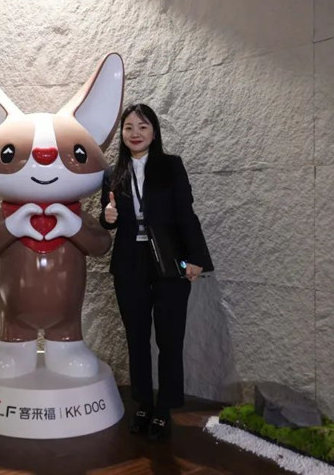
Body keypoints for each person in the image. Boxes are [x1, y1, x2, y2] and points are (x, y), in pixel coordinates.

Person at [99, 103, 213, 441]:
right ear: (122, 134)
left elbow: (186, 213)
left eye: (143, 126)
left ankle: (164, 408)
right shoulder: (112, 173)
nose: (135, 133)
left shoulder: (170, 166)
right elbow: (107, 219)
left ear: (154, 132)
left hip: (169, 259)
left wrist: (196, 258)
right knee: (136, 337)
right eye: (129, 127)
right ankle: (144, 403)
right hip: (129, 261)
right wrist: (106, 217)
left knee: (169, 337)